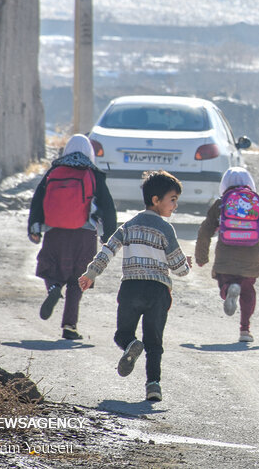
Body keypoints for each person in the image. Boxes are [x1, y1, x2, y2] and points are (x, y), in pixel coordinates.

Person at [78, 170, 191, 402]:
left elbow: (108, 249)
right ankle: (153, 386)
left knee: (122, 334)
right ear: (156, 200)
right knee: (154, 342)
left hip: (131, 289)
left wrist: (92, 273)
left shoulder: (129, 225)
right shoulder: (166, 229)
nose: (175, 205)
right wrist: (186, 264)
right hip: (158, 292)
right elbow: (179, 269)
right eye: (172, 200)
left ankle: (131, 345)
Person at [27, 134, 117, 341]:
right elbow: (108, 207)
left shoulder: (54, 171)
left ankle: (53, 287)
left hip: (54, 231)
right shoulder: (93, 174)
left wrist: (34, 228)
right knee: (78, 280)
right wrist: (109, 236)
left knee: (50, 267)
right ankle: (70, 326)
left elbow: (38, 200)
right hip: (84, 234)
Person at [195, 167, 259, 343]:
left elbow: (205, 230)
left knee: (224, 282)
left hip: (225, 255)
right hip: (251, 256)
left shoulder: (221, 204)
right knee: (248, 292)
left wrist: (201, 257)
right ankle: (245, 330)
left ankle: (228, 290)